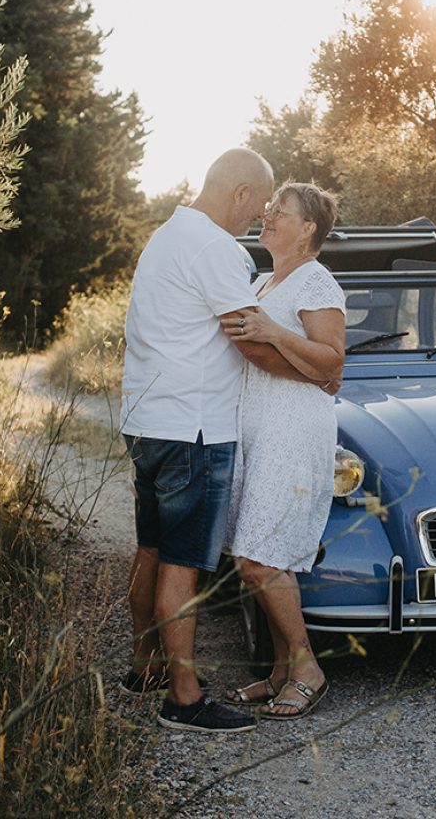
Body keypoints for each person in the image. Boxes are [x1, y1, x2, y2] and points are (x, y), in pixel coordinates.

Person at [119, 149, 321, 734]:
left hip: (149, 421)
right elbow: (251, 343)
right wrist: (317, 375)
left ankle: (145, 666)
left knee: (152, 548)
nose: (256, 217)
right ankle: (184, 699)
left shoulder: (166, 236)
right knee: (182, 566)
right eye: (256, 204)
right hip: (194, 429)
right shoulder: (215, 249)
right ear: (237, 194)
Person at [220, 182, 345, 720]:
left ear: (309, 228)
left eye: (280, 211)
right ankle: (277, 673)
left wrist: (273, 331)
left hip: (295, 431)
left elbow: (332, 364)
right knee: (256, 553)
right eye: (268, 209)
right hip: (259, 429)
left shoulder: (317, 281)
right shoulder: (263, 278)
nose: (267, 215)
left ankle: (307, 668)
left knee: (258, 557)